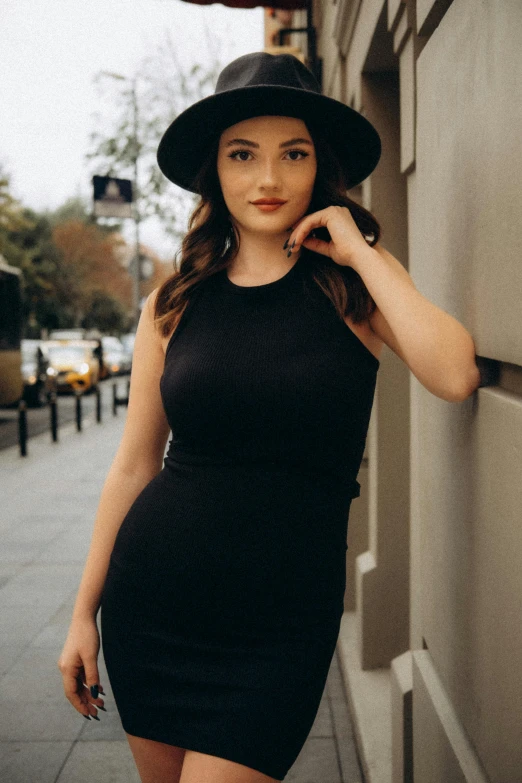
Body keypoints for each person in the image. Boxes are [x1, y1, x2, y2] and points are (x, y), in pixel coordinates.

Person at [58, 51, 481, 783]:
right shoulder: (171, 303)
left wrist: (359, 247)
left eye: (294, 153)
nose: (268, 178)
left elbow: (454, 372)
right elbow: (132, 464)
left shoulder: (354, 290)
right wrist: (81, 613)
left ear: (320, 167)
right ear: (214, 171)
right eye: (242, 154)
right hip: (154, 605)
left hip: (279, 627)